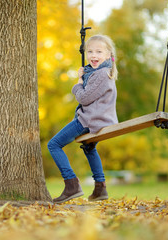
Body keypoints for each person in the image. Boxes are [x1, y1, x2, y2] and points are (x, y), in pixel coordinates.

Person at [47, 35, 118, 203]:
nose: (94, 55)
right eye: (90, 51)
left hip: (89, 121)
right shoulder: (101, 72)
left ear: (108, 55)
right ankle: (100, 188)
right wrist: (85, 76)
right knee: (89, 148)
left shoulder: (101, 74)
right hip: (101, 120)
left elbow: (84, 98)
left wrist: (78, 82)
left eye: (99, 52)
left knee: (54, 144)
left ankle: (71, 184)